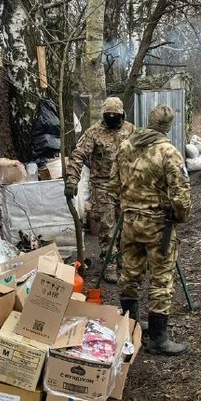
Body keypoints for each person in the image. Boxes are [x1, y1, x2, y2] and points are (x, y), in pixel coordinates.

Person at [109, 105, 191, 356]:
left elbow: (113, 184)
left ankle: (130, 326)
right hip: (158, 226)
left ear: (148, 121)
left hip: (130, 222)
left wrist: (129, 205)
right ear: (169, 126)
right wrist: (179, 216)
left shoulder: (126, 146)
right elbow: (181, 194)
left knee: (130, 273)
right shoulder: (169, 152)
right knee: (161, 279)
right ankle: (157, 338)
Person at [65, 97, 134, 283]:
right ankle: (109, 264)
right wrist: (72, 180)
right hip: (102, 186)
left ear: (121, 114)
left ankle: (124, 262)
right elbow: (78, 155)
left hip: (126, 185)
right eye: (108, 114)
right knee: (107, 227)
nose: (112, 117)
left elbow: (143, 154)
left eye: (115, 115)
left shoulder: (130, 130)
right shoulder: (94, 132)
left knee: (128, 226)